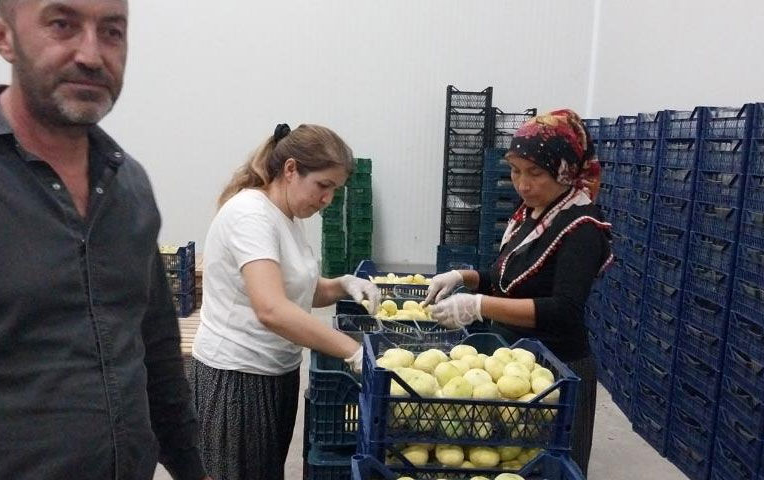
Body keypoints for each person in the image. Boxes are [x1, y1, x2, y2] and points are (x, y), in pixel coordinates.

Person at [0, 1, 209, 479]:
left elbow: (156, 349)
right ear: (2, 36)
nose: (92, 55)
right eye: (62, 25)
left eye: (112, 32)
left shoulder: (129, 185)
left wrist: (191, 467)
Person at [422, 109, 612, 477]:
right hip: (512, 363)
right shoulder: (531, 214)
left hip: (556, 373)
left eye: (535, 173)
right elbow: (507, 279)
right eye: (515, 171)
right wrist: (463, 277)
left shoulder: (582, 227)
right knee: (510, 464)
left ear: (564, 170)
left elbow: (564, 310)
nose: (522, 184)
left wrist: (480, 305)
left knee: (550, 468)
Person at [192, 123, 380, 480]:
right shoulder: (251, 215)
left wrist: (342, 285)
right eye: (323, 185)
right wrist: (353, 351)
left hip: (277, 372)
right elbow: (272, 309)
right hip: (238, 378)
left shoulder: (287, 217)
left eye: (334, 190)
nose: (327, 199)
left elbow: (300, 290)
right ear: (291, 169)